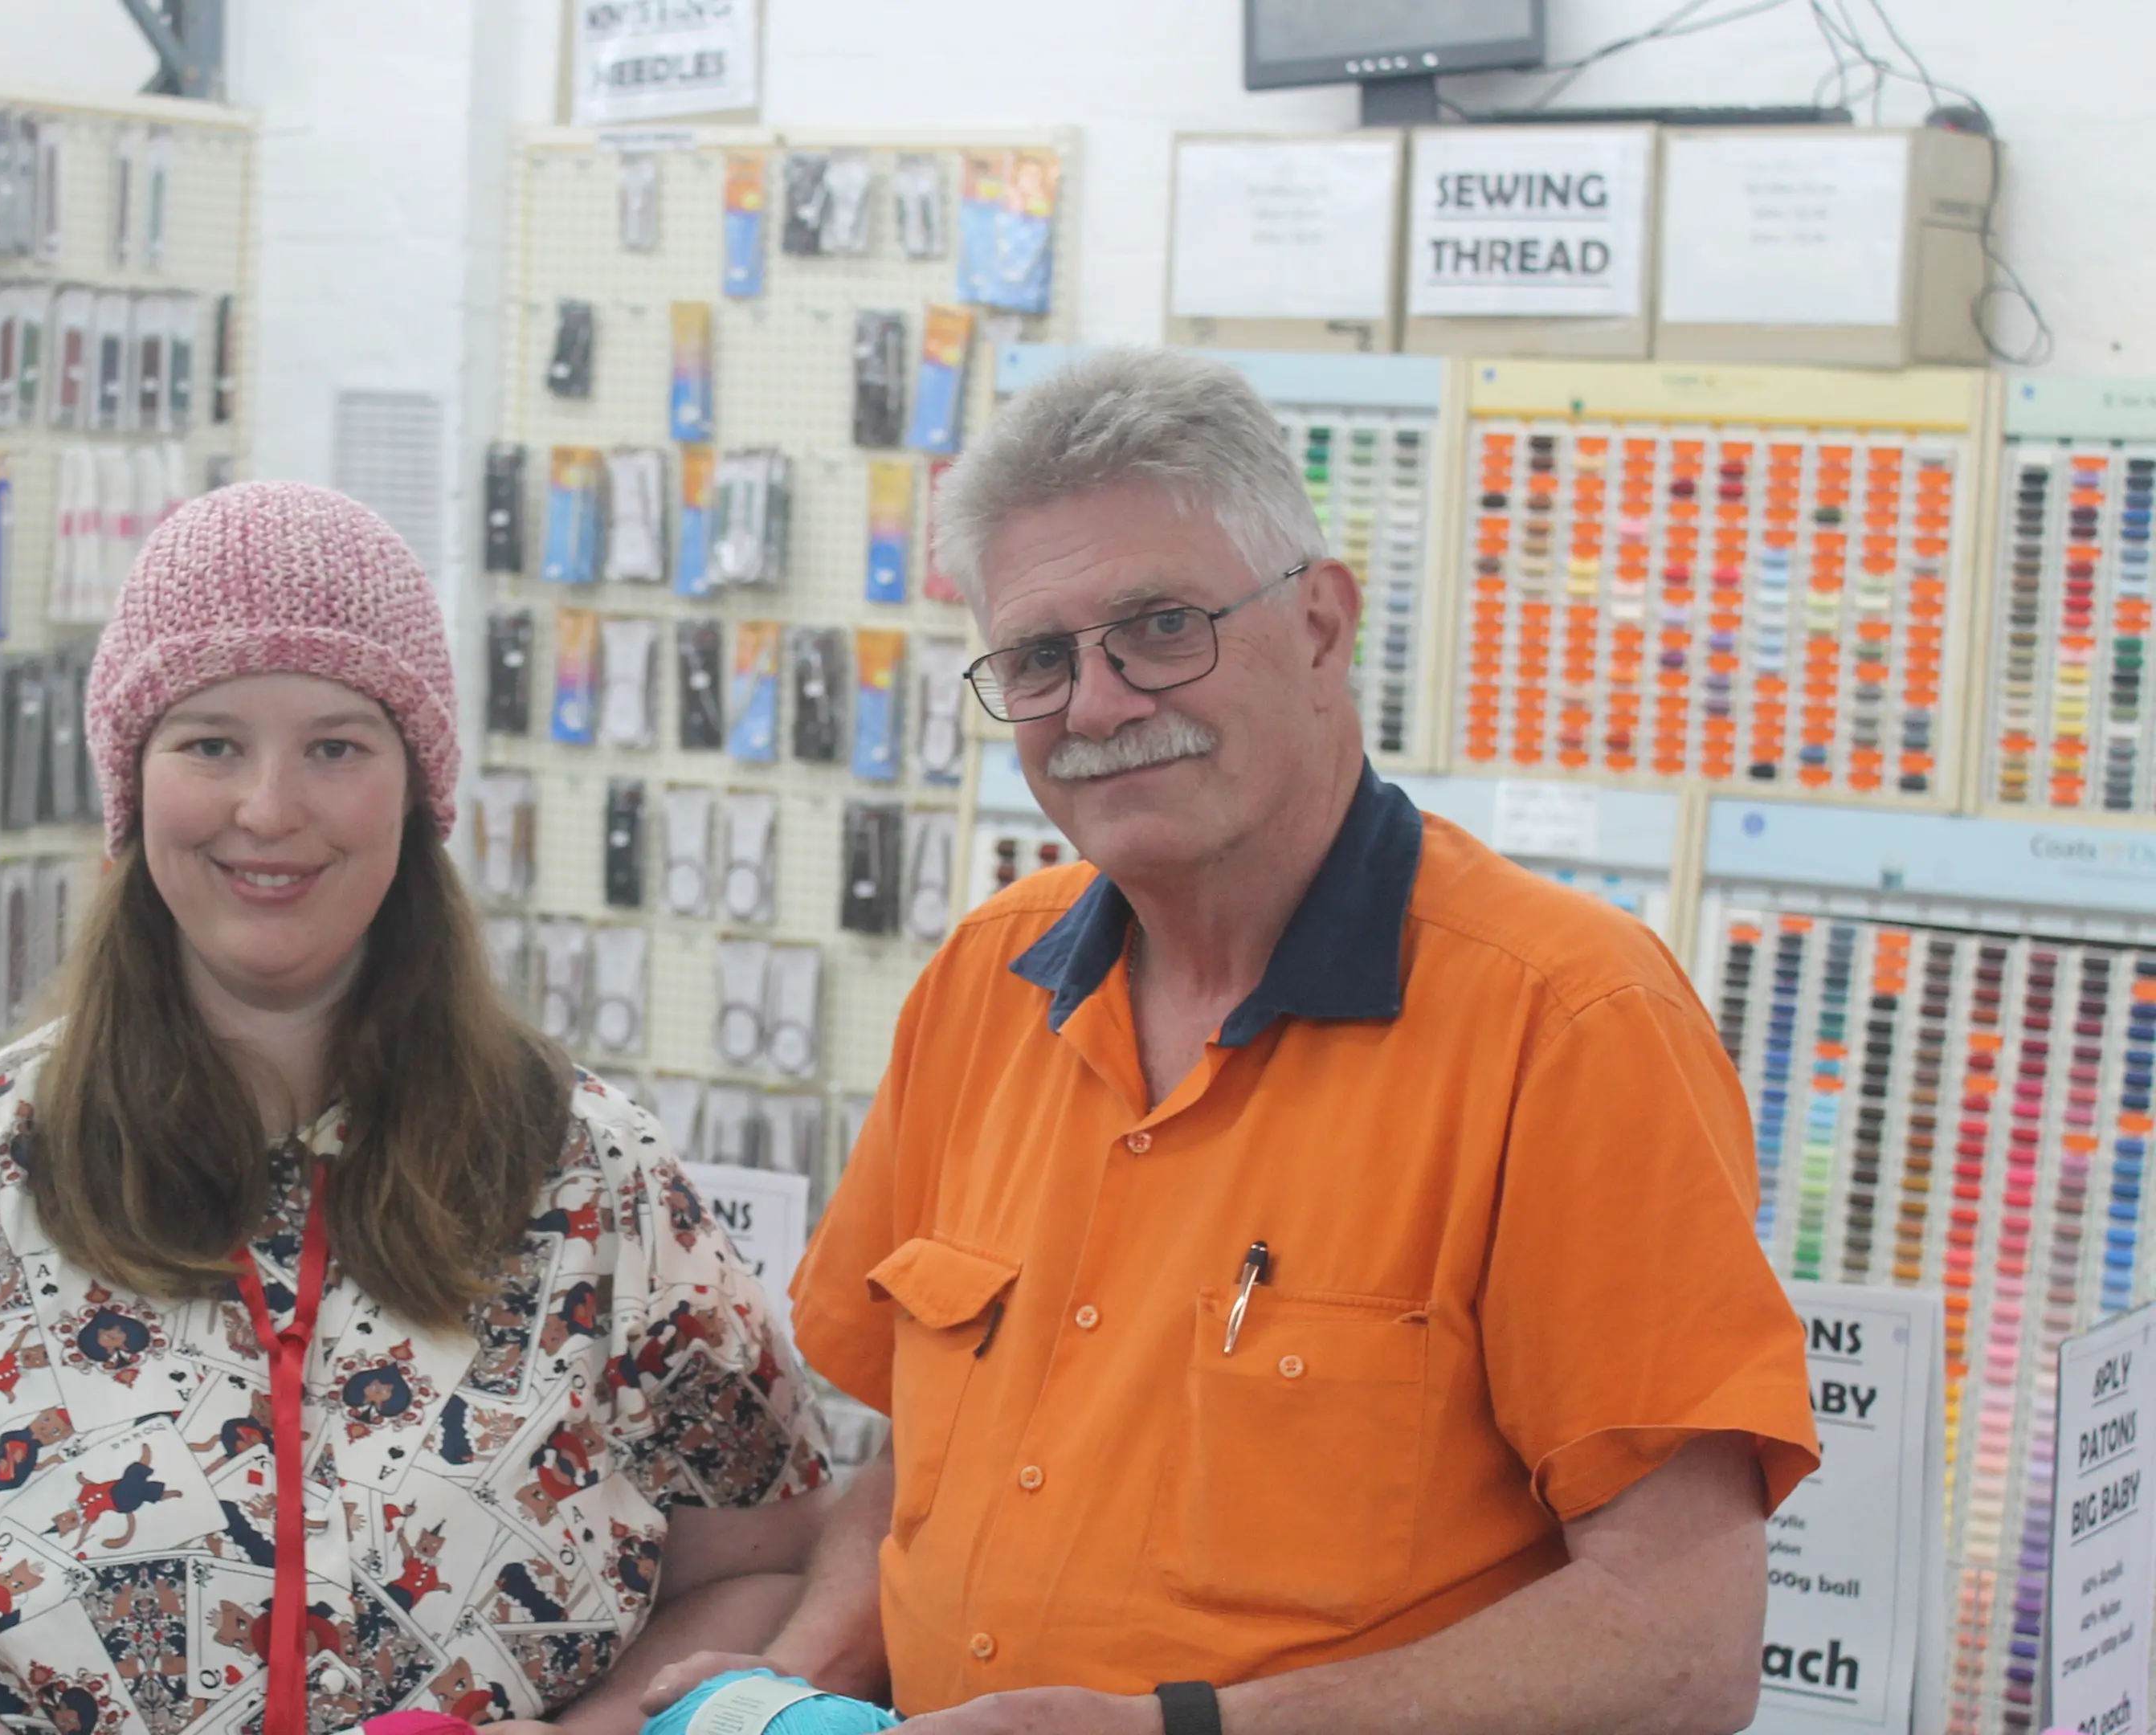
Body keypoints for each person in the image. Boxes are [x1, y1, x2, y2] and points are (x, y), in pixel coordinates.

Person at [651, 349, 1822, 1735]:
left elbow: (1676, 1642)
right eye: (1038, 658)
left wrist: (1180, 1734)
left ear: (1322, 627)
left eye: (1158, 628)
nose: (1094, 705)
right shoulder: (984, 983)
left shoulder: (1565, 1024)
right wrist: (797, 1684)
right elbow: (923, 1469)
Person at [0, 482, 832, 1735]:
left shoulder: (594, 1179)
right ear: (133, 780)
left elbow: (763, 1563)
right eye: (211, 742)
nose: (270, 809)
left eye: (337, 746)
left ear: (416, 788)